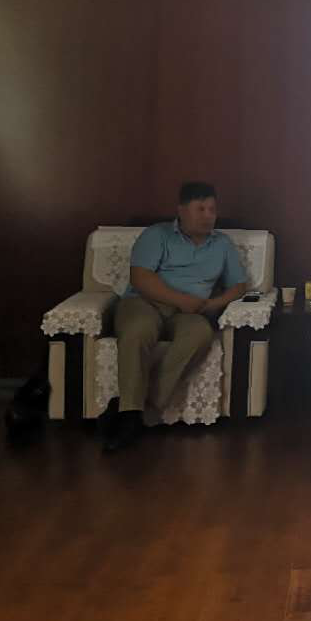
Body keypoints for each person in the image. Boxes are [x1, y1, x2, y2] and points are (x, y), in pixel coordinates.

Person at [101, 181, 250, 452]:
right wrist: (181, 300)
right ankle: (130, 415)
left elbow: (239, 285)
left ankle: (134, 413)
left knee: (200, 334)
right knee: (137, 331)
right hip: (145, 303)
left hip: (190, 313)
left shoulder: (222, 244)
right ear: (181, 210)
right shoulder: (156, 235)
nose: (208, 216)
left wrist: (214, 303)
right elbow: (141, 278)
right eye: (200, 209)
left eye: (212, 209)